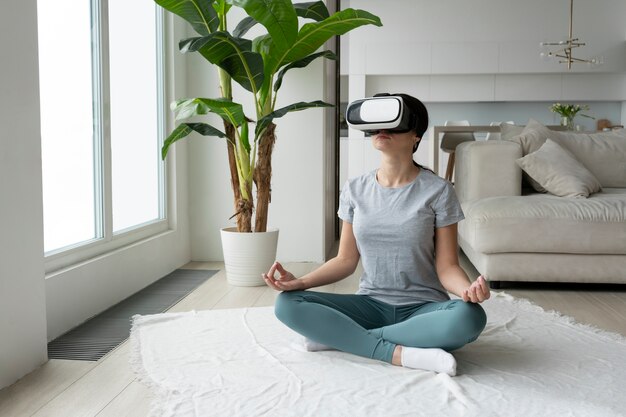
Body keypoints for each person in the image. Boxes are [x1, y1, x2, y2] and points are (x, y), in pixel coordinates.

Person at [263, 93, 490, 377]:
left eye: (395, 125)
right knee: (287, 304)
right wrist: (299, 282)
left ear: (416, 136)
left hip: (423, 308)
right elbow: (345, 260)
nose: (383, 130)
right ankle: (398, 353)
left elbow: (447, 266)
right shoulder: (355, 189)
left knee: (469, 317)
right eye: (379, 124)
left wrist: (466, 291)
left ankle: (342, 339)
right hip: (369, 304)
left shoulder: (438, 191)